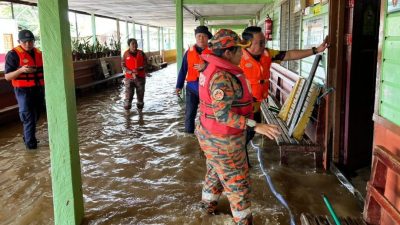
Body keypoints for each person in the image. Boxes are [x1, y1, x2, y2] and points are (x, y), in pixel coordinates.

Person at [196, 29, 280, 225]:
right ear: (227, 53)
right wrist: (255, 125)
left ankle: (204, 212)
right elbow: (223, 115)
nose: (243, 53)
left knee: (215, 173)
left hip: (209, 136)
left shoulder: (210, 67)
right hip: (223, 141)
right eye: (239, 50)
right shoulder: (222, 77)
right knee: (238, 186)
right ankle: (243, 222)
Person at [240, 26, 329, 122]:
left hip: (256, 106)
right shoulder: (237, 58)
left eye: (264, 42)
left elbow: (290, 55)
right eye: (260, 43)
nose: (263, 45)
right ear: (247, 44)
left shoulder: (267, 54)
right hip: (240, 108)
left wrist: (315, 50)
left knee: (252, 131)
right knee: (241, 133)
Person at [4, 29, 45, 150]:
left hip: (37, 88)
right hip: (23, 91)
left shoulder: (39, 53)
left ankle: (27, 138)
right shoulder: (13, 54)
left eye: (31, 41)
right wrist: (21, 70)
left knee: (36, 115)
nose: (28, 44)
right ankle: (31, 147)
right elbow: (7, 77)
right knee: (28, 117)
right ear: (19, 41)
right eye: (25, 42)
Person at [175, 25, 212, 133]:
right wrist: (179, 86)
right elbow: (183, 70)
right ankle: (189, 137)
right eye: (199, 36)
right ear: (195, 38)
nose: (201, 38)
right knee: (189, 114)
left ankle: (207, 137)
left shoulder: (214, 52)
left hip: (208, 89)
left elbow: (220, 68)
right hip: (191, 88)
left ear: (208, 38)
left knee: (209, 114)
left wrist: (206, 67)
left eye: (204, 36)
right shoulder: (188, 52)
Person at [122, 38, 148, 111]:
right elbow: (123, 66)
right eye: (133, 43)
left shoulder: (141, 53)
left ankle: (140, 115)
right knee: (128, 98)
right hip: (129, 79)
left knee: (140, 97)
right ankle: (127, 116)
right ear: (129, 45)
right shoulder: (125, 54)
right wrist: (131, 72)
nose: (135, 45)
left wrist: (139, 69)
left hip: (140, 78)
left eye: (136, 43)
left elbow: (146, 64)